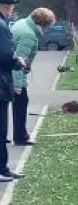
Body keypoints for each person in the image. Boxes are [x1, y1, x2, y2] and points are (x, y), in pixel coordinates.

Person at [10, 7, 56, 146]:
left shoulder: (22, 23)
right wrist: (18, 84)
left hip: (6, 72)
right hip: (12, 75)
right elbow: (18, 59)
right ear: (43, 23)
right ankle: (20, 137)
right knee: (21, 103)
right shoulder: (28, 34)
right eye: (49, 26)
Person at [0, 0, 26, 182]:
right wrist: (18, 62)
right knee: (1, 129)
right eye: (10, 7)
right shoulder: (1, 26)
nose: (12, 11)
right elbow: (6, 56)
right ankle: (1, 168)